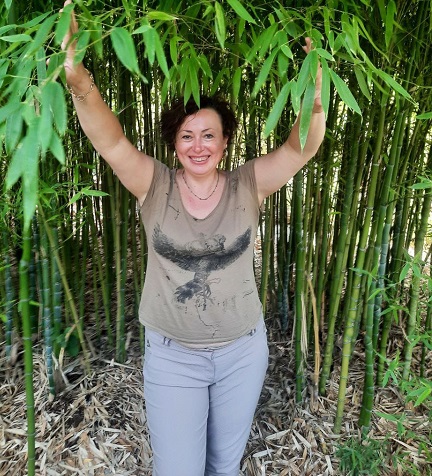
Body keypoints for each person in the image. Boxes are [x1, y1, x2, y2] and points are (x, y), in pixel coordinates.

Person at [61, 1, 325, 475]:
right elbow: (111, 142)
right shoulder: (154, 184)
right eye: (187, 136)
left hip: (242, 351)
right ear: (173, 143)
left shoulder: (248, 184)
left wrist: (315, 96)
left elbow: (299, 148)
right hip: (172, 356)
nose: (198, 146)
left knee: (224, 465)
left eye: (209, 135)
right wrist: (78, 77)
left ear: (225, 142)